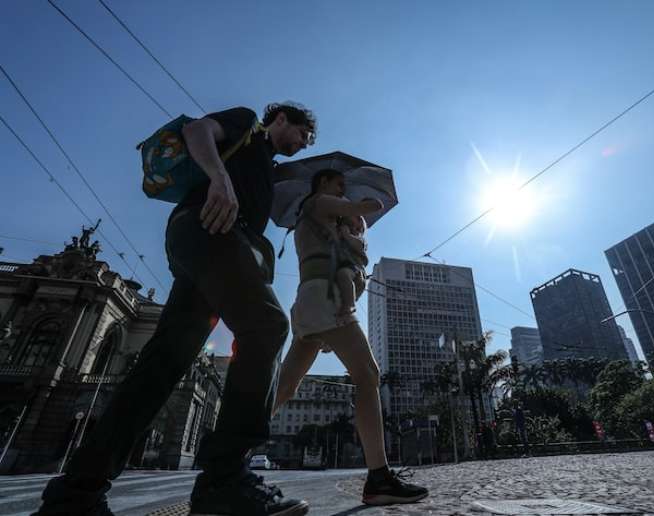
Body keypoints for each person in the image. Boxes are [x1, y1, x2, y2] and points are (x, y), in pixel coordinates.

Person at [33, 102, 316, 516]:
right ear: (282, 119)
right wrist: (219, 178)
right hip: (210, 233)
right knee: (268, 326)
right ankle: (225, 479)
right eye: (304, 134)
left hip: (204, 244)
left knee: (163, 362)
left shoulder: (262, 161)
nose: (304, 143)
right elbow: (197, 130)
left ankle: (77, 492)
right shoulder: (248, 124)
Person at [273, 169, 428, 506]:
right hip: (327, 299)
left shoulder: (313, 216)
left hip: (310, 300)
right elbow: (368, 206)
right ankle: (378, 478)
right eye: (338, 184)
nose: (342, 189)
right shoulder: (319, 202)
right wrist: (362, 206)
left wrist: (348, 229)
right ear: (321, 183)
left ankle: (227, 455)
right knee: (368, 375)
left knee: (286, 387)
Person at [335, 214, 368, 322]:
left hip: (355, 270)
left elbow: (358, 245)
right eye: (348, 225)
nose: (354, 229)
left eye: (358, 228)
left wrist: (347, 235)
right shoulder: (341, 238)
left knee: (343, 274)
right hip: (343, 266)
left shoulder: (360, 240)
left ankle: (350, 305)